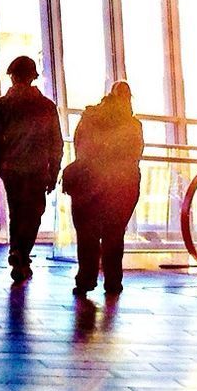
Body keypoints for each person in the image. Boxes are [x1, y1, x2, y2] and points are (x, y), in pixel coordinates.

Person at [0, 56, 64, 283]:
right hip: (37, 169)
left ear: (13, 77)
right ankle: (22, 253)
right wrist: (53, 172)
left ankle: (17, 251)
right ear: (33, 77)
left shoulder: (3, 105)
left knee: (16, 212)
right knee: (33, 213)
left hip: (11, 168)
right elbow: (56, 143)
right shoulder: (46, 106)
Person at [66, 81, 144, 297]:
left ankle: (85, 279)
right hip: (121, 185)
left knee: (87, 234)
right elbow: (135, 154)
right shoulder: (132, 125)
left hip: (87, 181)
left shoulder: (89, 118)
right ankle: (112, 281)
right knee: (114, 234)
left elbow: (79, 145)